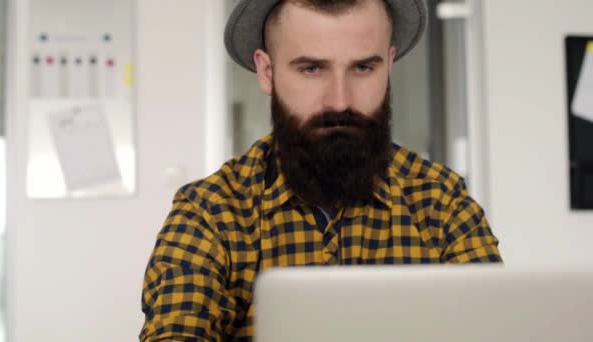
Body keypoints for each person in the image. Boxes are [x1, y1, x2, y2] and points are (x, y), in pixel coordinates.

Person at [140, 0, 502, 341]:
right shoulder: (210, 213)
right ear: (267, 72)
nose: (340, 100)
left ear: (388, 67)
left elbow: (497, 330)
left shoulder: (442, 202)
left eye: (363, 67)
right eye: (312, 68)